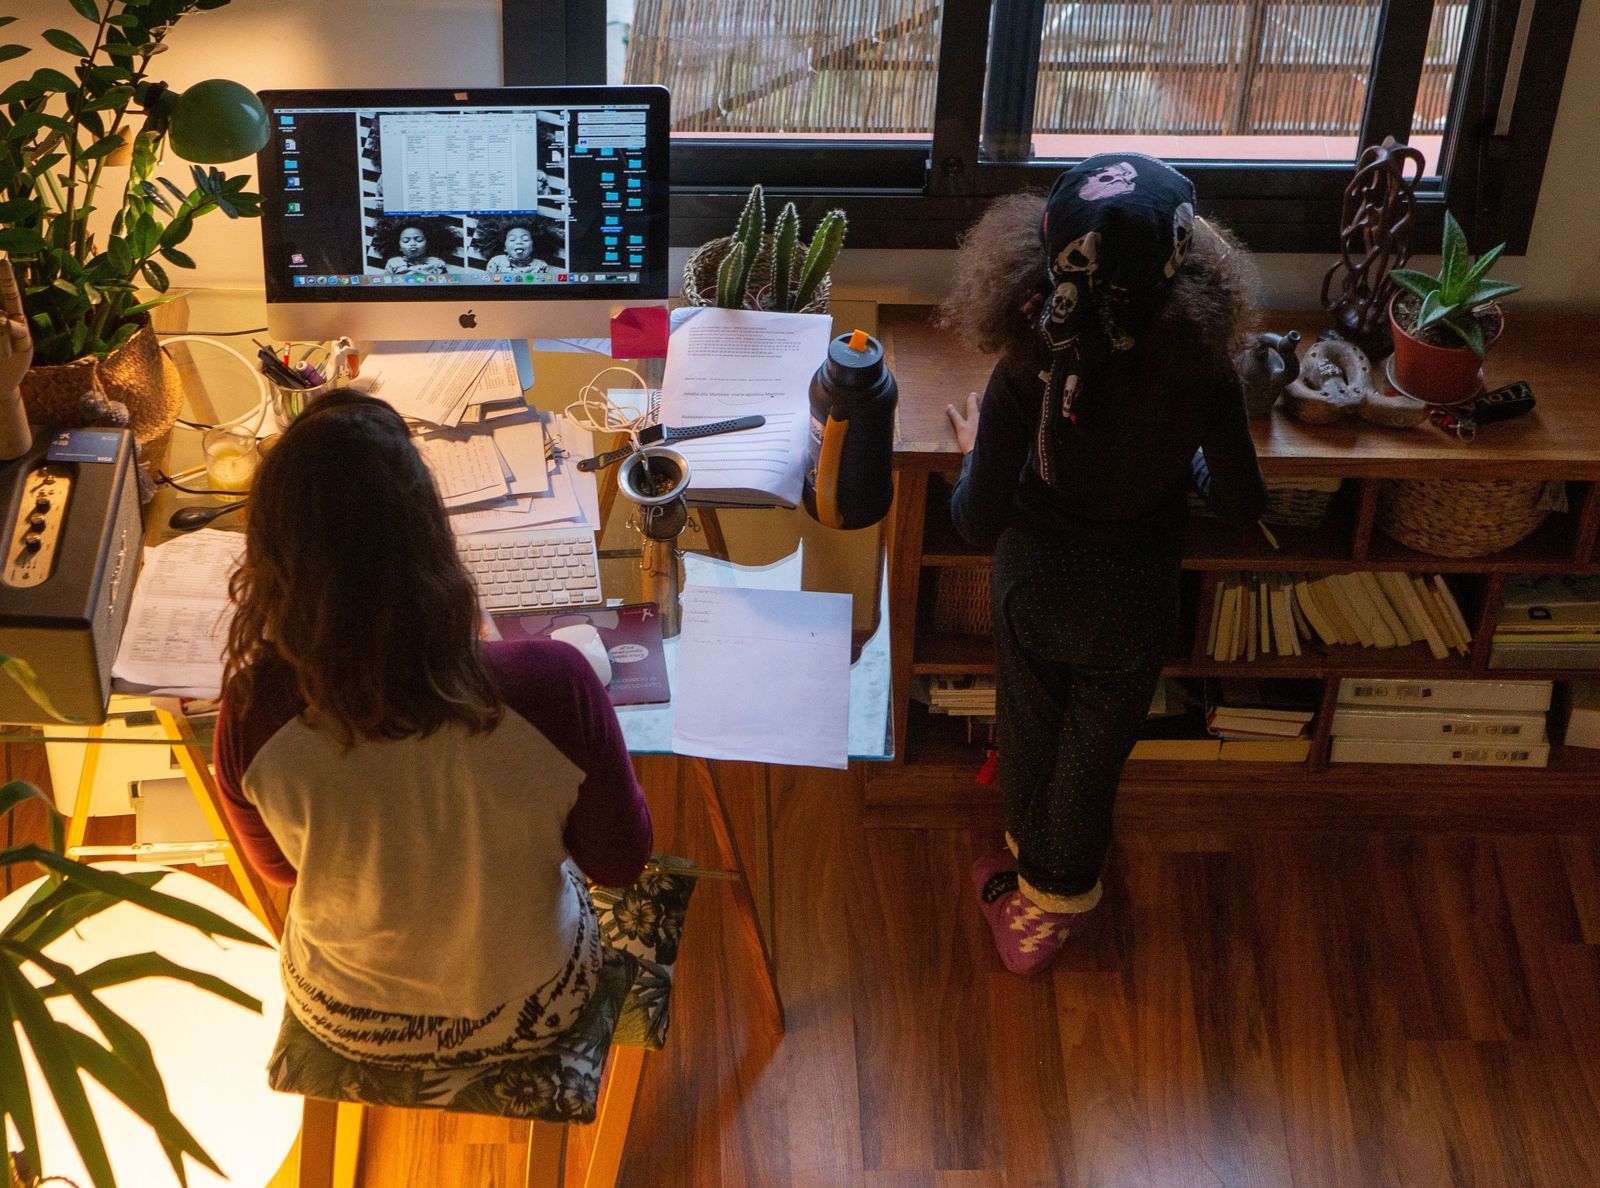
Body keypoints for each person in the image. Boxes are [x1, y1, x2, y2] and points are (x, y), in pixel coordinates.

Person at [214, 393, 652, 1066]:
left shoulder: (250, 708)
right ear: (432, 538)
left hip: (342, 1013)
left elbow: (280, 872)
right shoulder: (552, 684)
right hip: (529, 1008)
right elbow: (620, 864)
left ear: (272, 558)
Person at [940, 153, 1266, 975]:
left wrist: (976, 455)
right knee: (1091, 759)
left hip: (1035, 586)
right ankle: (1051, 885)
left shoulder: (1027, 367)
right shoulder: (1205, 371)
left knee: (1032, 732)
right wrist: (1186, 465)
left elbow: (976, 521)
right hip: (1134, 598)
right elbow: (1242, 503)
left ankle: (1038, 910)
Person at [373, 216, 453, 277]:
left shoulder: (437, 262)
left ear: (428, 243)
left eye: (419, 239)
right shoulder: (393, 263)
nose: (412, 243)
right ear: (399, 246)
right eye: (406, 241)